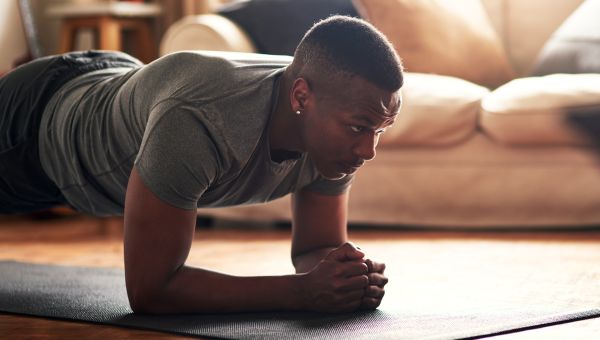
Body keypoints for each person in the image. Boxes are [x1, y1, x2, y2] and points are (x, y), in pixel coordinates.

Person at [0, 15, 403, 314]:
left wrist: (345, 277)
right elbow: (150, 291)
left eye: (380, 130)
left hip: (112, 81)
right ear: (301, 98)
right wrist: (301, 292)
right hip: (34, 127)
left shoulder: (336, 122)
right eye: (359, 128)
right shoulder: (201, 119)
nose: (368, 150)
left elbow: (317, 247)